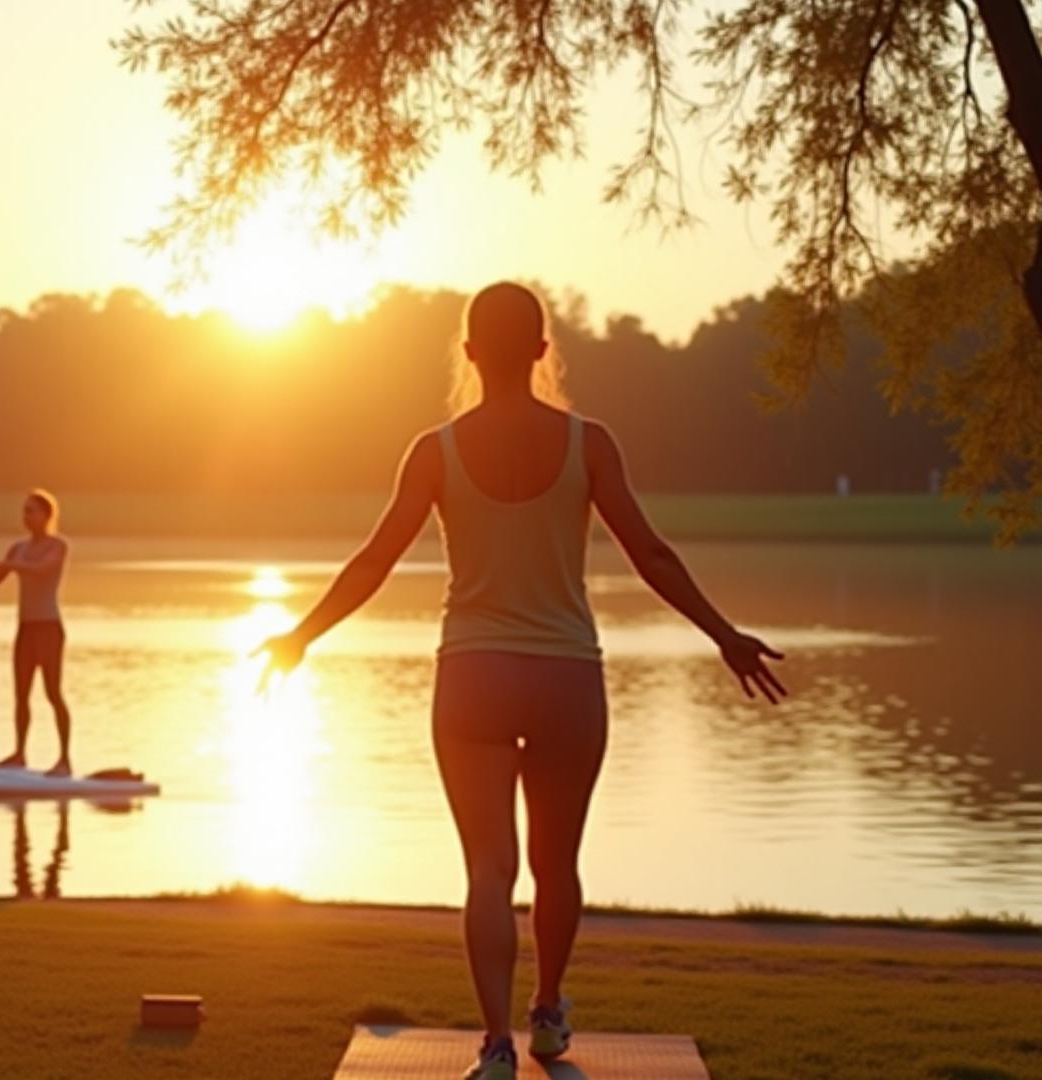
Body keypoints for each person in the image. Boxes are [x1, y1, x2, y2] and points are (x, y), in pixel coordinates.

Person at [255, 282, 785, 1080]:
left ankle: (497, 1044)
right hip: (566, 676)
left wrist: (301, 635)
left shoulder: (434, 450)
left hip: (473, 677)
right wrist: (724, 635)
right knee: (556, 865)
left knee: (488, 871)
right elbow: (651, 554)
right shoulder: (589, 444)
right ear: (542, 351)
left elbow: (374, 560)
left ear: (469, 352)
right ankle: (549, 1012)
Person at [0, 490, 74, 777]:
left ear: (47, 515)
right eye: (24, 511)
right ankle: (19, 754)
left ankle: (64, 761)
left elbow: (39, 570)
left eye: (32, 511)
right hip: (26, 629)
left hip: (49, 629)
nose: (26, 517)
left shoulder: (58, 546)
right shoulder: (17, 548)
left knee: (53, 693)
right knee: (21, 694)